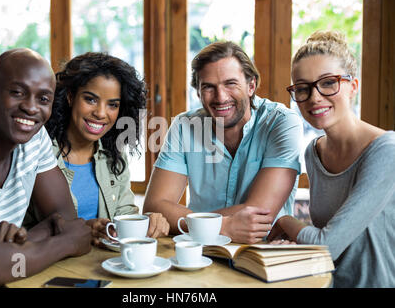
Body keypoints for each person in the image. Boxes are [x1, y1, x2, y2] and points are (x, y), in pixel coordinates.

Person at [0, 48, 92, 288]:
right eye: (17, 92)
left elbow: (65, 221)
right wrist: (66, 244)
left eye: (43, 99)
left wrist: (24, 240)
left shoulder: (33, 136)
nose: (31, 108)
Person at [267, 31, 395, 287]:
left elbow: (325, 244)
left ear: (353, 87)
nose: (314, 97)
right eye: (302, 88)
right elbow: (329, 241)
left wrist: (284, 220)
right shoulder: (313, 152)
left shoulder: (386, 151)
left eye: (328, 83)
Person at [143, 41, 303, 244]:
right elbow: (155, 207)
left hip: (263, 251)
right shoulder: (185, 126)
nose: (220, 97)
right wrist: (223, 226)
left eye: (230, 83)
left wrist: (185, 221)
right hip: (203, 249)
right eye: (208, 87)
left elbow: (259, 213)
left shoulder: (281, 122)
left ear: (251, 85)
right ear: (198, 92)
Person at [24, 52, 169, 248]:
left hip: (101, 266)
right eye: (91, 99)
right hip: (46, 266)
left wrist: (148, 221)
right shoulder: (38, 151)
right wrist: (83, 229)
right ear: (70, 96)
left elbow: (124, 216)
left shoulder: (114, 155)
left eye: (113, 105)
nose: (101, 113)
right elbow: (20, 228)